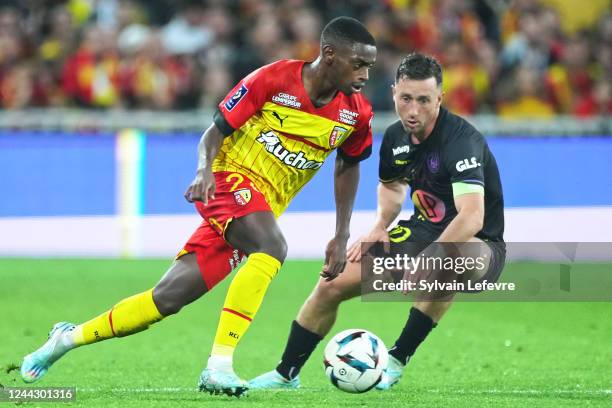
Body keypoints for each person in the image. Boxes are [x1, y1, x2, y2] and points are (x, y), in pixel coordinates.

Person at [20, 16, 377, 397]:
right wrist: (204, 171)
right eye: (359, 64)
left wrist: (341, 235)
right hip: (226, 180)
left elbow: (349, 164)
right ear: (329, 54)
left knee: (167, 299)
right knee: (272, 247)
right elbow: (214, 132)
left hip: (259, 209)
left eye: (369, 66)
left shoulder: (356, 114)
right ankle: (219, 366)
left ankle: (66, 338)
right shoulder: (273, 80)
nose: (365, 74)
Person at [249, 53, 505, 390]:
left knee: (451, 258)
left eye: (424, 100)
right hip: (422, 230)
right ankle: (286, 374)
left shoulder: (461, 140)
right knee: (330, 284)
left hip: (480, 246)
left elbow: (472, 215)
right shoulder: (397, 137)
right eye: (406, 99)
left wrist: (432, 253)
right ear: (394, 92)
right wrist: (380, 224)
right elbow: (392, 185)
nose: (413, 110)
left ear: (439, 99)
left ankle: (396, 360)